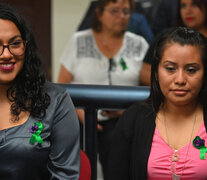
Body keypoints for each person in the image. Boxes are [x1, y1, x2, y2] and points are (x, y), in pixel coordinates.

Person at [58, 0, 149, 177]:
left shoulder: (139, 44)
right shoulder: (79, 41)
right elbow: (62, 86)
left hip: (124, 119)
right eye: (114, 11)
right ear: (99, 13)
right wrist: (81, 114)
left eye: (126, 11)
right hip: (80, 117)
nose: (121, 17)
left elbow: (153, 86)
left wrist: (127, 112)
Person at [106, 27, 207, 179]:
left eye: (191, 70)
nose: (180, 80)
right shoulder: (133, 119)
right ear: (156, 73)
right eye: (170, 69)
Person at [0, 3, 80, 180]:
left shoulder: (55, 101)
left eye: (15, 43)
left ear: (26, 47)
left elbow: (65, 176)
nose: (6, 54)